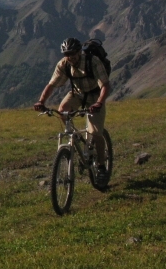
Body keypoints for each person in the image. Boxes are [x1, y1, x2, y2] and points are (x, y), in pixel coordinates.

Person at [33, 37, 111, 173]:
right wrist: (41, 101)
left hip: (95, 94)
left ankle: (101, 165)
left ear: (79, 51)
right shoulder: (64, 65)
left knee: (96, 133)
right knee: (62, 111)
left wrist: (99, 102)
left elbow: (105, 84)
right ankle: (76, 137)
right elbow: (52, 85)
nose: (70, 57)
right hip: (77, 93)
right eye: (67, 54)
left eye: (73, 53)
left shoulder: (92, 61)